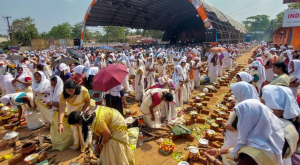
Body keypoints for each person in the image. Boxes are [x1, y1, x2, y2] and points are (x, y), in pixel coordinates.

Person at [205, 99, 284, 165]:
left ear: (249, 120)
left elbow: (248, 149)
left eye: (241, 119)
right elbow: (244, 145)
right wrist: (219, 151)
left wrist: (214, 161)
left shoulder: (253, 156)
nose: (239, 123)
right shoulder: (267, 135)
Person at [67, 106, 134, 165]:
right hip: (113, 119)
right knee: (106, 146)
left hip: (118, 124)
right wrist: (96, 144)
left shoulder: (95, 120)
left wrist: (101, 144)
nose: (76, 126)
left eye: (75, 125)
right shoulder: (88, 114)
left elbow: (107, 134)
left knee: (113, 145)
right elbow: (97, 130)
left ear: (79, 122)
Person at [221, 81, 259, 164]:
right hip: (240, 136)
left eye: (236, 93)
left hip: (236, 137)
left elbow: (234, 127)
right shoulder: (250, 101)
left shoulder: (245, 107)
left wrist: (223, 124)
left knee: (231, 155)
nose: (235, 95)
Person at [262, 85, 300, 165]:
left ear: (277, 109)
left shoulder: (277, 128)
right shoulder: (289, 122)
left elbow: (268, 155)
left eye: (264, 102)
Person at [58, 79, 95, 152]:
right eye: (67, 91)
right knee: (75, 129)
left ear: (76, 88)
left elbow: (87, 102)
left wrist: (81, 112)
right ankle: (78, 144)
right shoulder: (63, 94)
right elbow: (62, 109)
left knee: (85, 128)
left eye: (71, 91)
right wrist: (60, 123)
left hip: (83, 109)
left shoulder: (83, 91)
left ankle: (86, 145)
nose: (70, 93)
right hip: (72, 111)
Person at [47, 76, 74, 151]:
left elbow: (61, 105)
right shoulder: (52, 90)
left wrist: (51, 103)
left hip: (63, 113)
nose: (53, 86)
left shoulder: (63, 91)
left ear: (58, 83)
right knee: (58, 130)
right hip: (55, 113)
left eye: (55, 84)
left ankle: (69, 142)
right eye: (52, 84)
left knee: (66, 129)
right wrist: (50, 105)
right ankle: (60, 144)